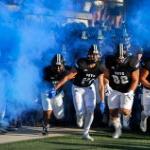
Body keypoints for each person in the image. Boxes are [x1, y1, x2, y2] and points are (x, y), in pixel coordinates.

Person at [55, 44, 106, 141]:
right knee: (80, 111)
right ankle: (79, 116)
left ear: (99, 55)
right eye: (92, 54)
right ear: (89, 55)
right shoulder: (81, 63)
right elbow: (68, 76)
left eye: (96, 54)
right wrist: (55, 88)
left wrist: (102, 101)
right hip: (77, 88)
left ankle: (86, 133)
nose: (94, 56)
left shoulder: (100, 67)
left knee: (91, 111)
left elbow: (101, 85)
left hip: (89, 88)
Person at [105, 43, 139, 138]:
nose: (120, 59)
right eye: (118, 57)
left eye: (122, 57)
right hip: (114, 88)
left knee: (125, 111)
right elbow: (106, 75)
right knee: (113, 113)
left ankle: (128, 111)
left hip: (127, 90)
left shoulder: (132, 61)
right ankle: (118, 130)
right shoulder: (110, 60)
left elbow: (135, 79)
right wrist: (107, 85)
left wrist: (131, 91)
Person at [41, 53, 71, 135]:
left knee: (59, 116)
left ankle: (47, 121)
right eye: (56, 65)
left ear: (63, 65)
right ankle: (45, 126)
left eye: (59, 65)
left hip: (58, 94)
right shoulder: (46, 70)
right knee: (47, 110)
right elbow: (39, 83)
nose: (58, 67)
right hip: (46, 92)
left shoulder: (66, 71)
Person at [140, 52, 150, 132]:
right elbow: (142, 79)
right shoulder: (148, 63)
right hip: (148, 91)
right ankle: (143, 119)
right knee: (147, 112)